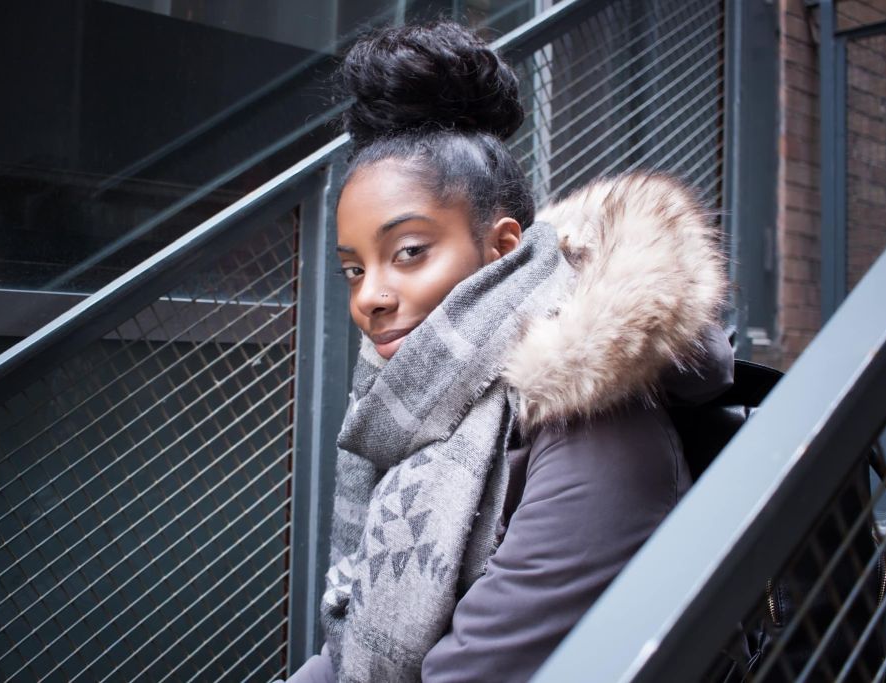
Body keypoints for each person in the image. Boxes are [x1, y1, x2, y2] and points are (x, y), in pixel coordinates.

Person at [285, 20, 733, 683]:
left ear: (502, 247)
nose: (369, 297)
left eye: (408, 252)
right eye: (355, 268)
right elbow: (343, 656)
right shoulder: (415, 409)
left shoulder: (591, 430)